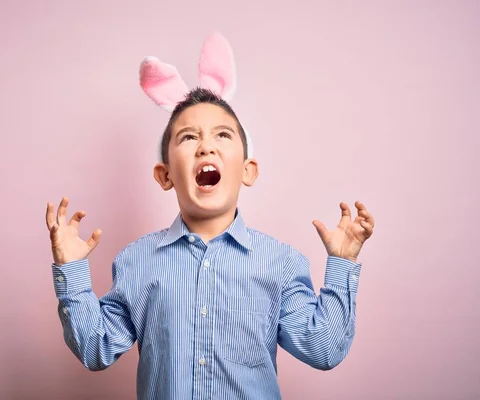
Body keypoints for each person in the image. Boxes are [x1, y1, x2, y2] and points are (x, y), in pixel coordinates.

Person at [45, 87, 375, 399]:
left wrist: (342, 263)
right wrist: (71, 271)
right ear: (165, 176)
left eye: (222, 135)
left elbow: (325, 349)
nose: (206, 147)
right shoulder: (136, 261)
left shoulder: (281, 262)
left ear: (248, 170)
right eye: (188, 137)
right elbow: (94, 349)